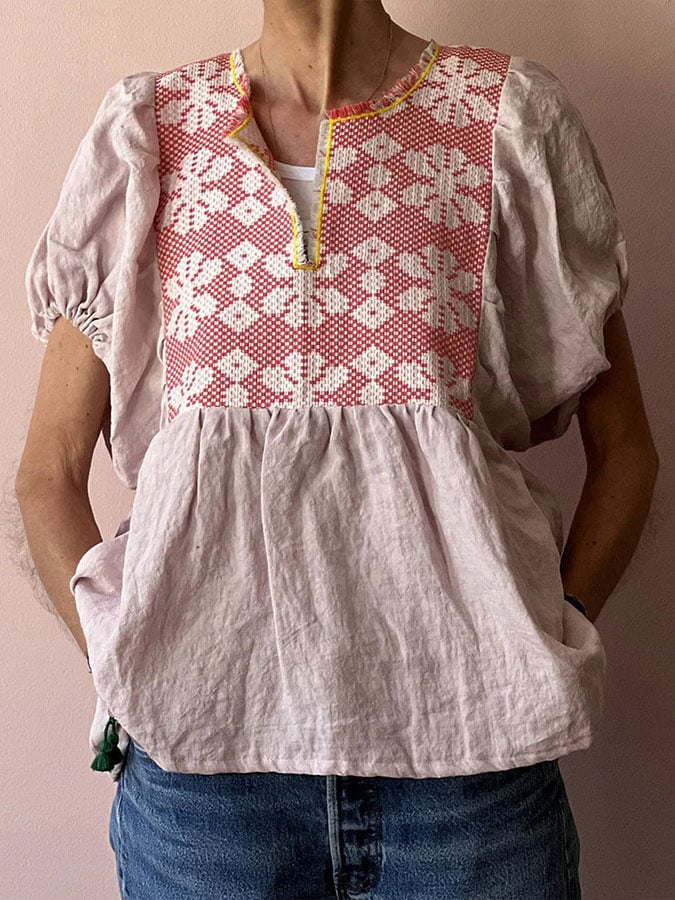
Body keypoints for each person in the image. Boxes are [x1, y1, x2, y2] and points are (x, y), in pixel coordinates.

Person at [16, 1, 659, 897]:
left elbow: (625, 452)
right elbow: (48, 473)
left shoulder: (505, 117)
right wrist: (127, 663)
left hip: (472, 782)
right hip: (207, 796)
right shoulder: (151, 132)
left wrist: (555, 632)